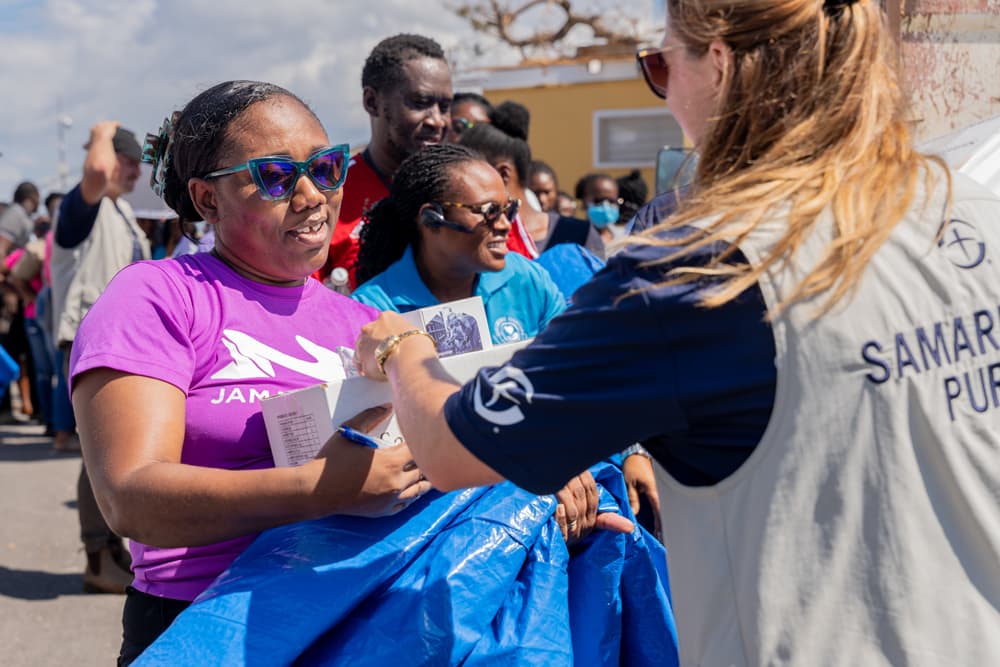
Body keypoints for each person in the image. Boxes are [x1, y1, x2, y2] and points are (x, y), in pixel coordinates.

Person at [352, 0, 1000, 664]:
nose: (663, 94)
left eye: (659, 66)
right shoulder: (975, 209)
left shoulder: (694, 273)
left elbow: (447, 445)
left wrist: (405, 346)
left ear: (717, 62)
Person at [69, 80, 432, 665]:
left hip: (357, 619)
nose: (313, 195)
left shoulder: (366, 322)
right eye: (276, 177)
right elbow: (130, 497)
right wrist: (323, 488)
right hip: (204, 626)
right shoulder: (159, 297)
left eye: (328, 166)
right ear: (208, 200)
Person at [50, 122, 149, 595]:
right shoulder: (80, 208)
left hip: (121, 342)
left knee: (113, 449)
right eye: (128, 161)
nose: (134, 171)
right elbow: (95, 167)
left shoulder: (121, 211)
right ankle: (97, 557)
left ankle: (112, 549)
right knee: (100, 453)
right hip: (91, 341)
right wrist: (102, 131)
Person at [314, 33, 452, 288]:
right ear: (372, 102)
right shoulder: (327, 197)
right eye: (420, 103)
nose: (437, 120)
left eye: (444, 107)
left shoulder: (463, 194)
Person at [460, 114, 604, 259]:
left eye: (470, 175)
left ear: (503, 174)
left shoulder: (578, 233)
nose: (463, 185)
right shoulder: (474, 242)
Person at [575, 172, 626, 246]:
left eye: (611, 201)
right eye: (598, 201)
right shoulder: (572, 239)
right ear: (584, 202)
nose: (606, 206)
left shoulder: (626, 239)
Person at [0, 181, 40, 268]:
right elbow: (1, 248)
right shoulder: (16, 214)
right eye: (38, 196)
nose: (39, 201)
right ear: (32, 197)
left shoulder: (23, 216)